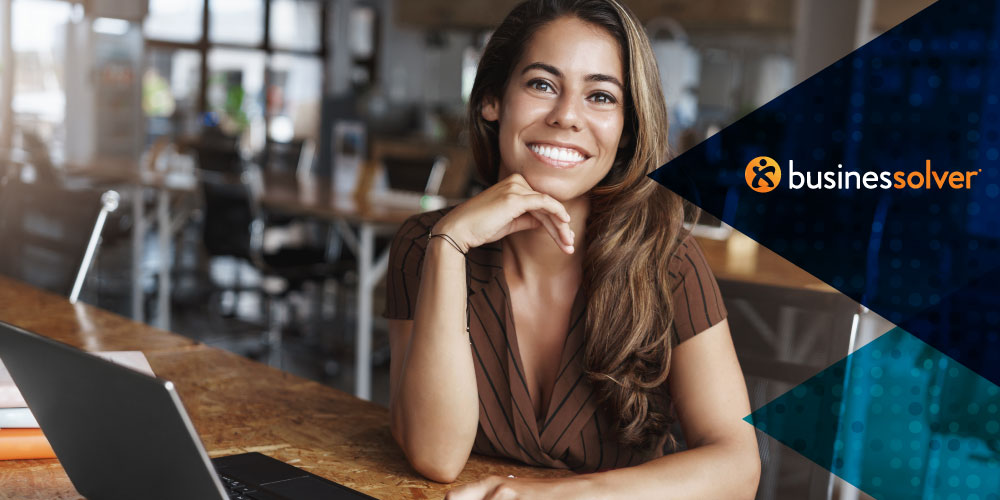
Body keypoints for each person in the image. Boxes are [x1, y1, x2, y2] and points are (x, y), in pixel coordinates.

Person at [384, 0, 761, 498]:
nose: (566, 116)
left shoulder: (668, 264)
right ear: (492, 100)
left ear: (627, 127)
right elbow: (436, 457)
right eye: (542, 85)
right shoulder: (426, 245)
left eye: (601, 96)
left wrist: (559, 497)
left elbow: (738, 465)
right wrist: (450, 246)